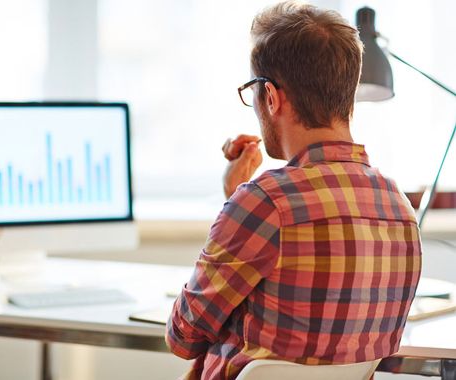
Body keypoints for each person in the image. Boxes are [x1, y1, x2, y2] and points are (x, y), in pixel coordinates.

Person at [165, 2, 422, 379]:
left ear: (271, 96)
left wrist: (238, 203)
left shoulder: (263, 203)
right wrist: (239, 202)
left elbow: (182, 336)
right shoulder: (399, 209)